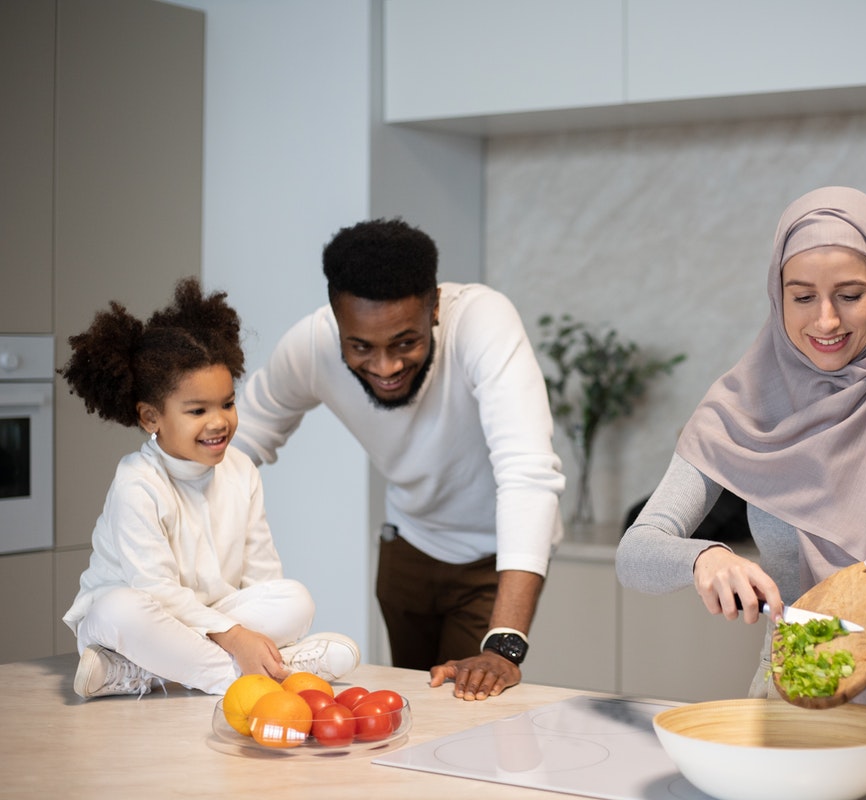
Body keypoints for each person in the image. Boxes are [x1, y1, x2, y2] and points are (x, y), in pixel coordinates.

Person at [615, 186, 866, 732]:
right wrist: (703, 558)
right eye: (803, 296)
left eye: (851, 295)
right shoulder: (740, 406)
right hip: (794, 700)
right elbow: (635, 553)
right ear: (777, 295)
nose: (826, 321)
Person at [233, 218, 565, 701]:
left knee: (464, 712)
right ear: (335, 318)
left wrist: (505, 645)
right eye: (361, 346)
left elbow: (527, 472)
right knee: (413, 709)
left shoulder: (481, 321)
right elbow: (234, 446)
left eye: (404, 343)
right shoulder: (311, 344)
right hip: (406, 548)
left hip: (492, 559)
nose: (385, 367)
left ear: (433, 306)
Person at [60, 278, 360, 700]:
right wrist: (237, 639)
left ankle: (142, 672)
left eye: (227, 403)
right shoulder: (137, 483)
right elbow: (155, 592)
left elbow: (262, 576)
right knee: (119, 609)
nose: (219, 421)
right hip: (138, 619)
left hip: (210, 619)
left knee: (295, 600)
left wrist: (248, 628)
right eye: (198, 410)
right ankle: (262, 676)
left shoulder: (240, 469)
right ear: (151, 418)